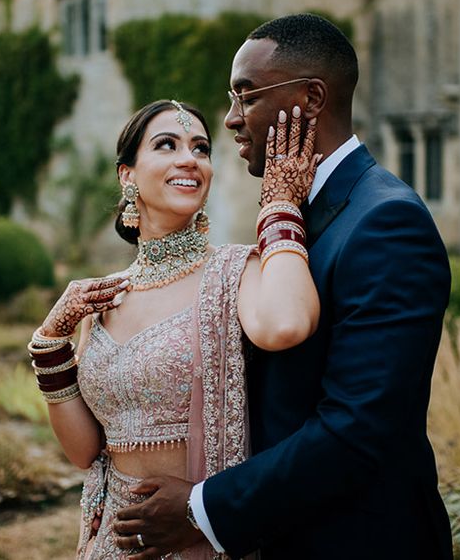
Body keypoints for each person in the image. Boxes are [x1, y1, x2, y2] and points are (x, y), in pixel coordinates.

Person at [113, 14, 454, 559]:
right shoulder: (295, 211)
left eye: (246, 97)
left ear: (311, 99)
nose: (229, 120)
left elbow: (358, 428)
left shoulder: (387, 222)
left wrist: (204, 509)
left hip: (356, 542)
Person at [28, 98, 320, 559]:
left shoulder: (234, 271)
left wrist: (280, 205)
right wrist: (49, 345)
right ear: (127, 175)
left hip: (196, 535)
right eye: (167, 144)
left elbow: (286, 325)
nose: (190, 158)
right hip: (110, 540)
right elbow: (86, 451)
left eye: (201, 148)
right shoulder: (104, 298)